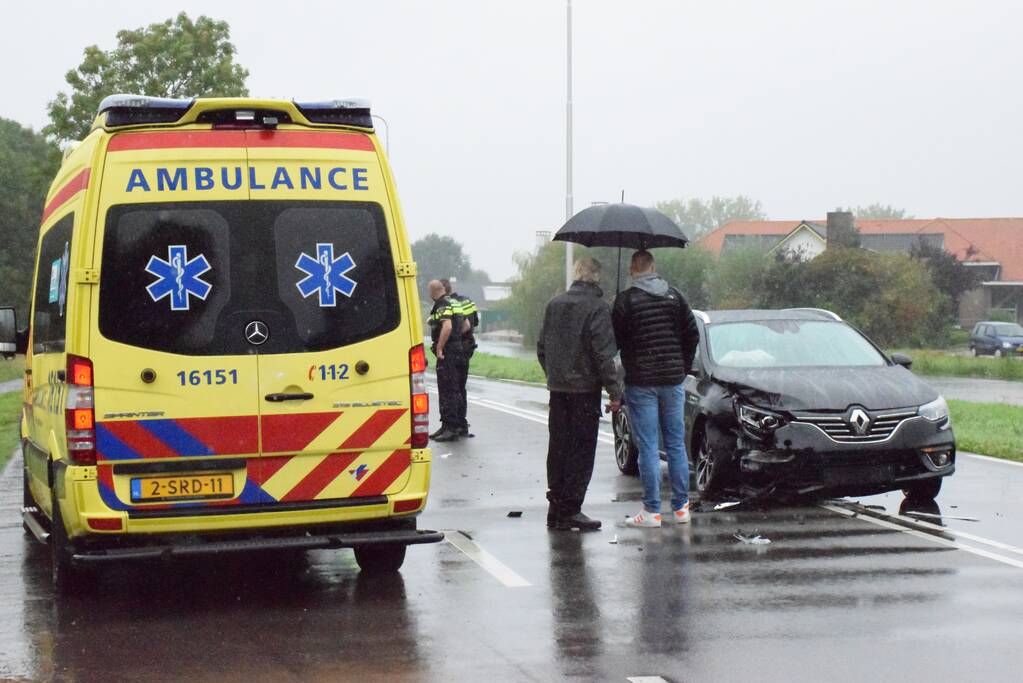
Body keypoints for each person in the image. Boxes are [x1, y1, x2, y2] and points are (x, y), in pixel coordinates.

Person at [612, 250, 700, 528]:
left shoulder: (626, 301)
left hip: (641, 382)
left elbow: (616, 340)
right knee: (675, 444)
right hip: (673, 382)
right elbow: (692, 334)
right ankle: (681, 508)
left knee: (648, 446)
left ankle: (652, 512)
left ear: (632, 270)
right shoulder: (675, 296)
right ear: (654, 268)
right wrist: (681, 367)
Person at [538, 257, 622, 531]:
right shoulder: (597, 308)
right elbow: (603, 353)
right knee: (581, 451)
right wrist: (614, 391)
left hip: (558, 390)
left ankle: (556, 507)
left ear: (576, 275)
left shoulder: (554, 304)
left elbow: (542, 347)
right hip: (584, 390)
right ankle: (572, 509)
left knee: (558, 448)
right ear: (596, 277)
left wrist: (554, 374)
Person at [427, 279, 467, 442]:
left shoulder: (441, 304)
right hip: (459, 350)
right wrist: (457, 339)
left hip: (448, 353)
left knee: (447, 390)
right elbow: (466, 326)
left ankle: (449, 428)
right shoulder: (455, 302)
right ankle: (450, 426)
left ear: (433, 292)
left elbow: (447, 326)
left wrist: (440, 347)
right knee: (456, 389)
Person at [441, 278, 478, 437]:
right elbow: (473, 322)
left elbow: (458, 326)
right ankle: (461, 424)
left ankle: (452, 425)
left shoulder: (448, 304)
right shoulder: (467, 301)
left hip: (454, 348)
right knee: (461, 388)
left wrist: (449, 339)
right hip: (467, 347)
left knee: (450, 388)